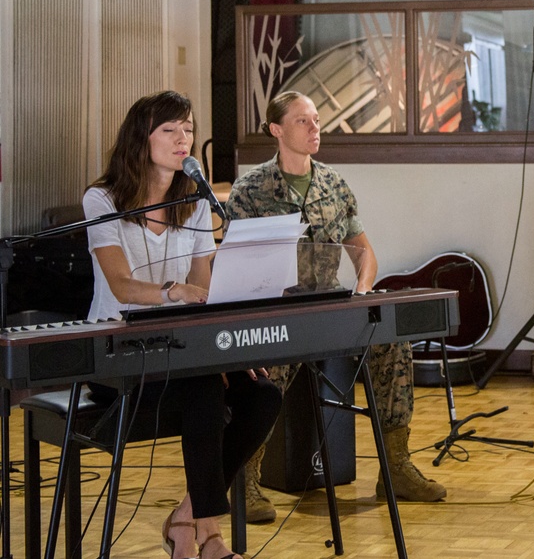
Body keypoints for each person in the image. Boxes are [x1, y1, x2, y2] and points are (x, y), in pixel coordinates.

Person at [227, 91, 446, 524]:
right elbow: (237, 266)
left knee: (391, 341)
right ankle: (245, 477)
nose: (315, 129)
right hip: (280, 312)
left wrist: (363, 294)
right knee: (273, 362)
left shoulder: (333, 183)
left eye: (316, 121)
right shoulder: (249, 190)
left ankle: (395, 466)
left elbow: (364, 255)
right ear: (276, 130)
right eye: (303, 122)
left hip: (330, 307)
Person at [82, 90, 283, 559]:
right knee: (204, 389)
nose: (183, 140)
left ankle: (187, 518)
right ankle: (208, 535)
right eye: (170, 130)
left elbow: (204, 290)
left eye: (188, 129)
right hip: (116, 358)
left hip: (181, 354)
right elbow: (121, 285)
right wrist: (173, 293)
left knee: (262, 396)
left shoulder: (193, 202)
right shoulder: (103, 198)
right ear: (141, 138)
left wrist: (229, 354)